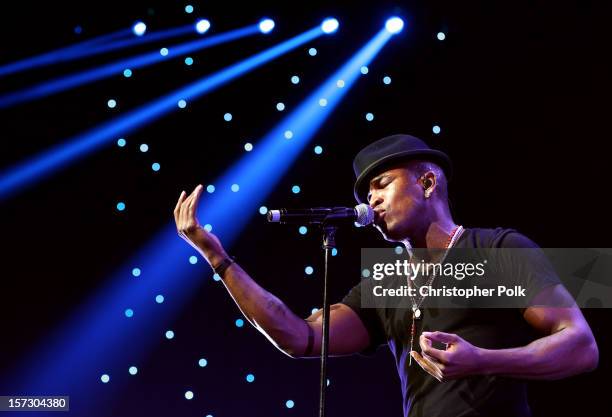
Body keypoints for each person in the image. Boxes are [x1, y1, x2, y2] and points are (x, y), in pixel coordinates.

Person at [173, 134, 598, 417]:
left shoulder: (498, 249)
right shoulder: (388, 281)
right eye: (366, 193)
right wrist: (218, 259)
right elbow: (300, 338)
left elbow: (580, 347)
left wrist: (482, 360)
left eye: (381, 184)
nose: (372, 199)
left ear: (427, 183)